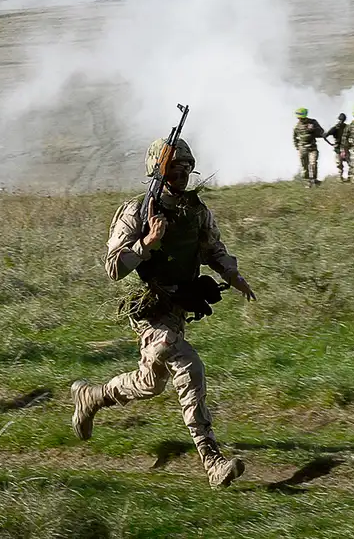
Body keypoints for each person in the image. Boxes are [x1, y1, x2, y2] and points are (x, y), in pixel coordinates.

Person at [70, 138, 257, 489]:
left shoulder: (195, 211)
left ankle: (92, 396)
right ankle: (212, 459)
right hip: (148, 307)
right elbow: (113, 267)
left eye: (187, 167)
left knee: (150, 383)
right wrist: (146, 244)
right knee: (188, 365)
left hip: (178, 306)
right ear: (158, 170)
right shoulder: (137, 213)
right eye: (175, 167)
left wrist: (233, 275)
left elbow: (214, 248)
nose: (183, 173)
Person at [293, 107, 329, 188]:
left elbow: (321, 132)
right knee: (305, 166)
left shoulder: (313, 122)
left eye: (301, 117)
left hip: (312, 148)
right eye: (298, 118)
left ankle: (314, 180)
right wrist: (297, 147)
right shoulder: (297, 127)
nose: (300, 119)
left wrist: (313, 129)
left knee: (313, 164)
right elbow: (294, 137)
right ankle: (307, 182)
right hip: (302, 149)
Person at [325, 113, 348, 182]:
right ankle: (340, 176)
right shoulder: (336, 128)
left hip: (345, 147)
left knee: (348, 162)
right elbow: (325, 136)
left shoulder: (347, 127)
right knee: (339, 163)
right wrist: (331, 144)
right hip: (339, 148)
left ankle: (347, 176)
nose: (341, 121)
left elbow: (325, 136)